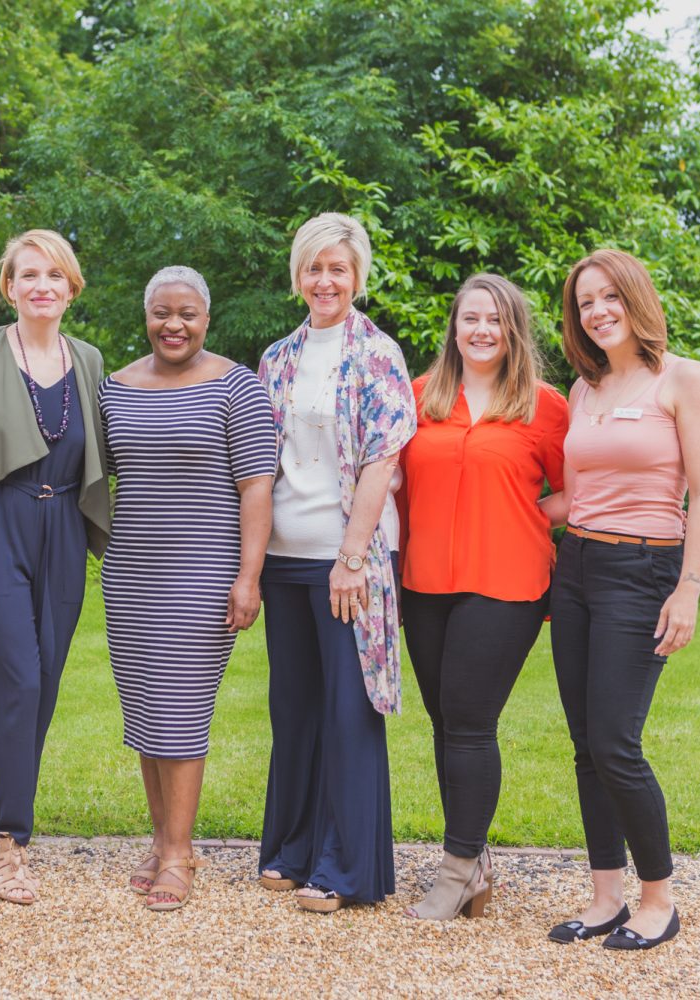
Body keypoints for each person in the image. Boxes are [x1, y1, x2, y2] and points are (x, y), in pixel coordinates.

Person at [543, 249, 700, 950]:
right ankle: (606, 896)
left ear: (635, 298)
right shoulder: (585, 388)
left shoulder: (683, 378)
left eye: (610, 296)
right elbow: (574, 496)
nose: (598, 311)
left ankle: (659, 901)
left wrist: (688, 589)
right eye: (585, 302)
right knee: (587, 745)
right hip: (576, 566)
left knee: (616, 742)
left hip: (644, 570)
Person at [0, 229, 110, 905]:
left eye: (55, 275)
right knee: (18, 679)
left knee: (45, 684)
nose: (42, 286)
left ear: (72, 288)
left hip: (62, 524)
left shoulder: (88, 360)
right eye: (28, 275)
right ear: (9, 287)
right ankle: (10, 841)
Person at [99, 266, 276, 912]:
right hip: (130, 575)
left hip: (202, 574)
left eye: (188, 314)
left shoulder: (237, 387)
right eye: (162, 313)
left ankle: (179, 854)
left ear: (207, 318)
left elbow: (257, 487)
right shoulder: (115, 388)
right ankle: (162, 842)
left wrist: (248, 577)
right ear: (146, 317)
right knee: (147, 712)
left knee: (180, 712)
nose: (173, 325)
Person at [257, 213, 416, 912]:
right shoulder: (276, 358)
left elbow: (382, 460)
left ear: (357, 278)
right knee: (293, 707)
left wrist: (352, 556)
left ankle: (347, 869)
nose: (325, 281)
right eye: (314, 268)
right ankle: (292, 849)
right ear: (298, 276)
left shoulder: (379, 354)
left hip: (348, 556)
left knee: (350, 709)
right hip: (284, 557)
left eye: (338, 269)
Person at [397, 274, 568, 920]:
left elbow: (575, 490)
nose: (482, 330)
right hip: (424, 581)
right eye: (471, 318)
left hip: (505, 581)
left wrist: (522, 514)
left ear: (514, 330)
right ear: (454, 327)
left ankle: (455, 871)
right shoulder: (419, 396)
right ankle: (475, 861)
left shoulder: (544, 406)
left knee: (469, 721)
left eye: (495, 319)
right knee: (444, 722)